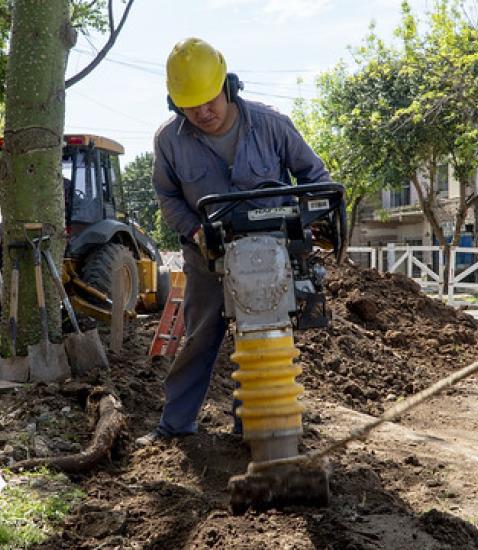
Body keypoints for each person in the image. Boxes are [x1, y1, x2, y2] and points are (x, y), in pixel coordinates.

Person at [138, 38, 330, 445]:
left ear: (228, 87)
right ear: (175, 104)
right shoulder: (169, 141)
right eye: (191, 106)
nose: (203, 113)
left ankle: (258, 426)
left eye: (210, 101)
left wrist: (308, 219)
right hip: (207, 254)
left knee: (265, 333)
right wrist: (194, 229)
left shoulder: (272, 125)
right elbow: (168, 197)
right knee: (201, 337)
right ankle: (175, 427)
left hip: (270, 253)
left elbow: (315, 176)